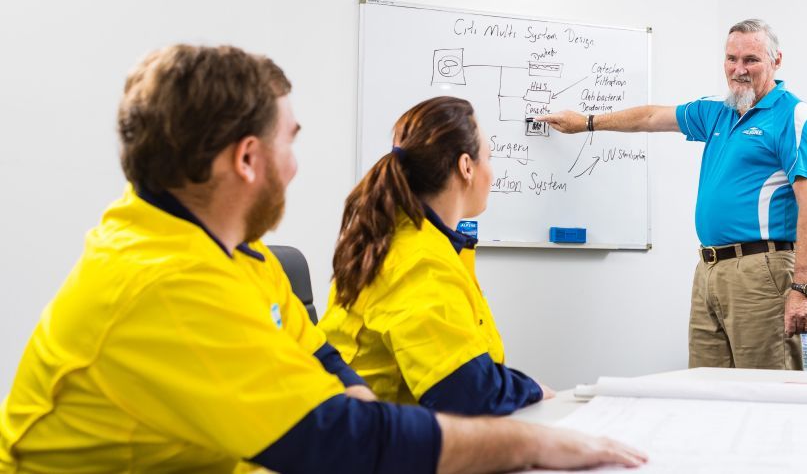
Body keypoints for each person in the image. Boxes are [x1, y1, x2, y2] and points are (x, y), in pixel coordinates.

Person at [0, 44, 646, 473]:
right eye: (291, 140)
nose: (297, 165)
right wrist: (531, 440)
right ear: (248, 159)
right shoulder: (165, 280)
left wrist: (360, 402)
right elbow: (337, 439)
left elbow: (317, 353)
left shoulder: (231, 253)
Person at [538, 19, 807, 371]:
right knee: (706, 389)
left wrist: (804, 288)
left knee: (765, 389)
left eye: (751, 59)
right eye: (731, 59)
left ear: (775, 61)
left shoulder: (793, 116)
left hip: (761, 270)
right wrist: (587, 122)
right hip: (709, 268)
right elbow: (650, 116)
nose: (738, 70)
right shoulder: (717, 111)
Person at [319, 96, 553, 416]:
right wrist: (532, 389)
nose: (493, 174)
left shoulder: (414, 240)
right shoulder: (418, 261)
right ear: (466, 167)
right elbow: (465, 392)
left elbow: (466, 366)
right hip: (374, 448)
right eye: (489, 157)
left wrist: (517, 385)